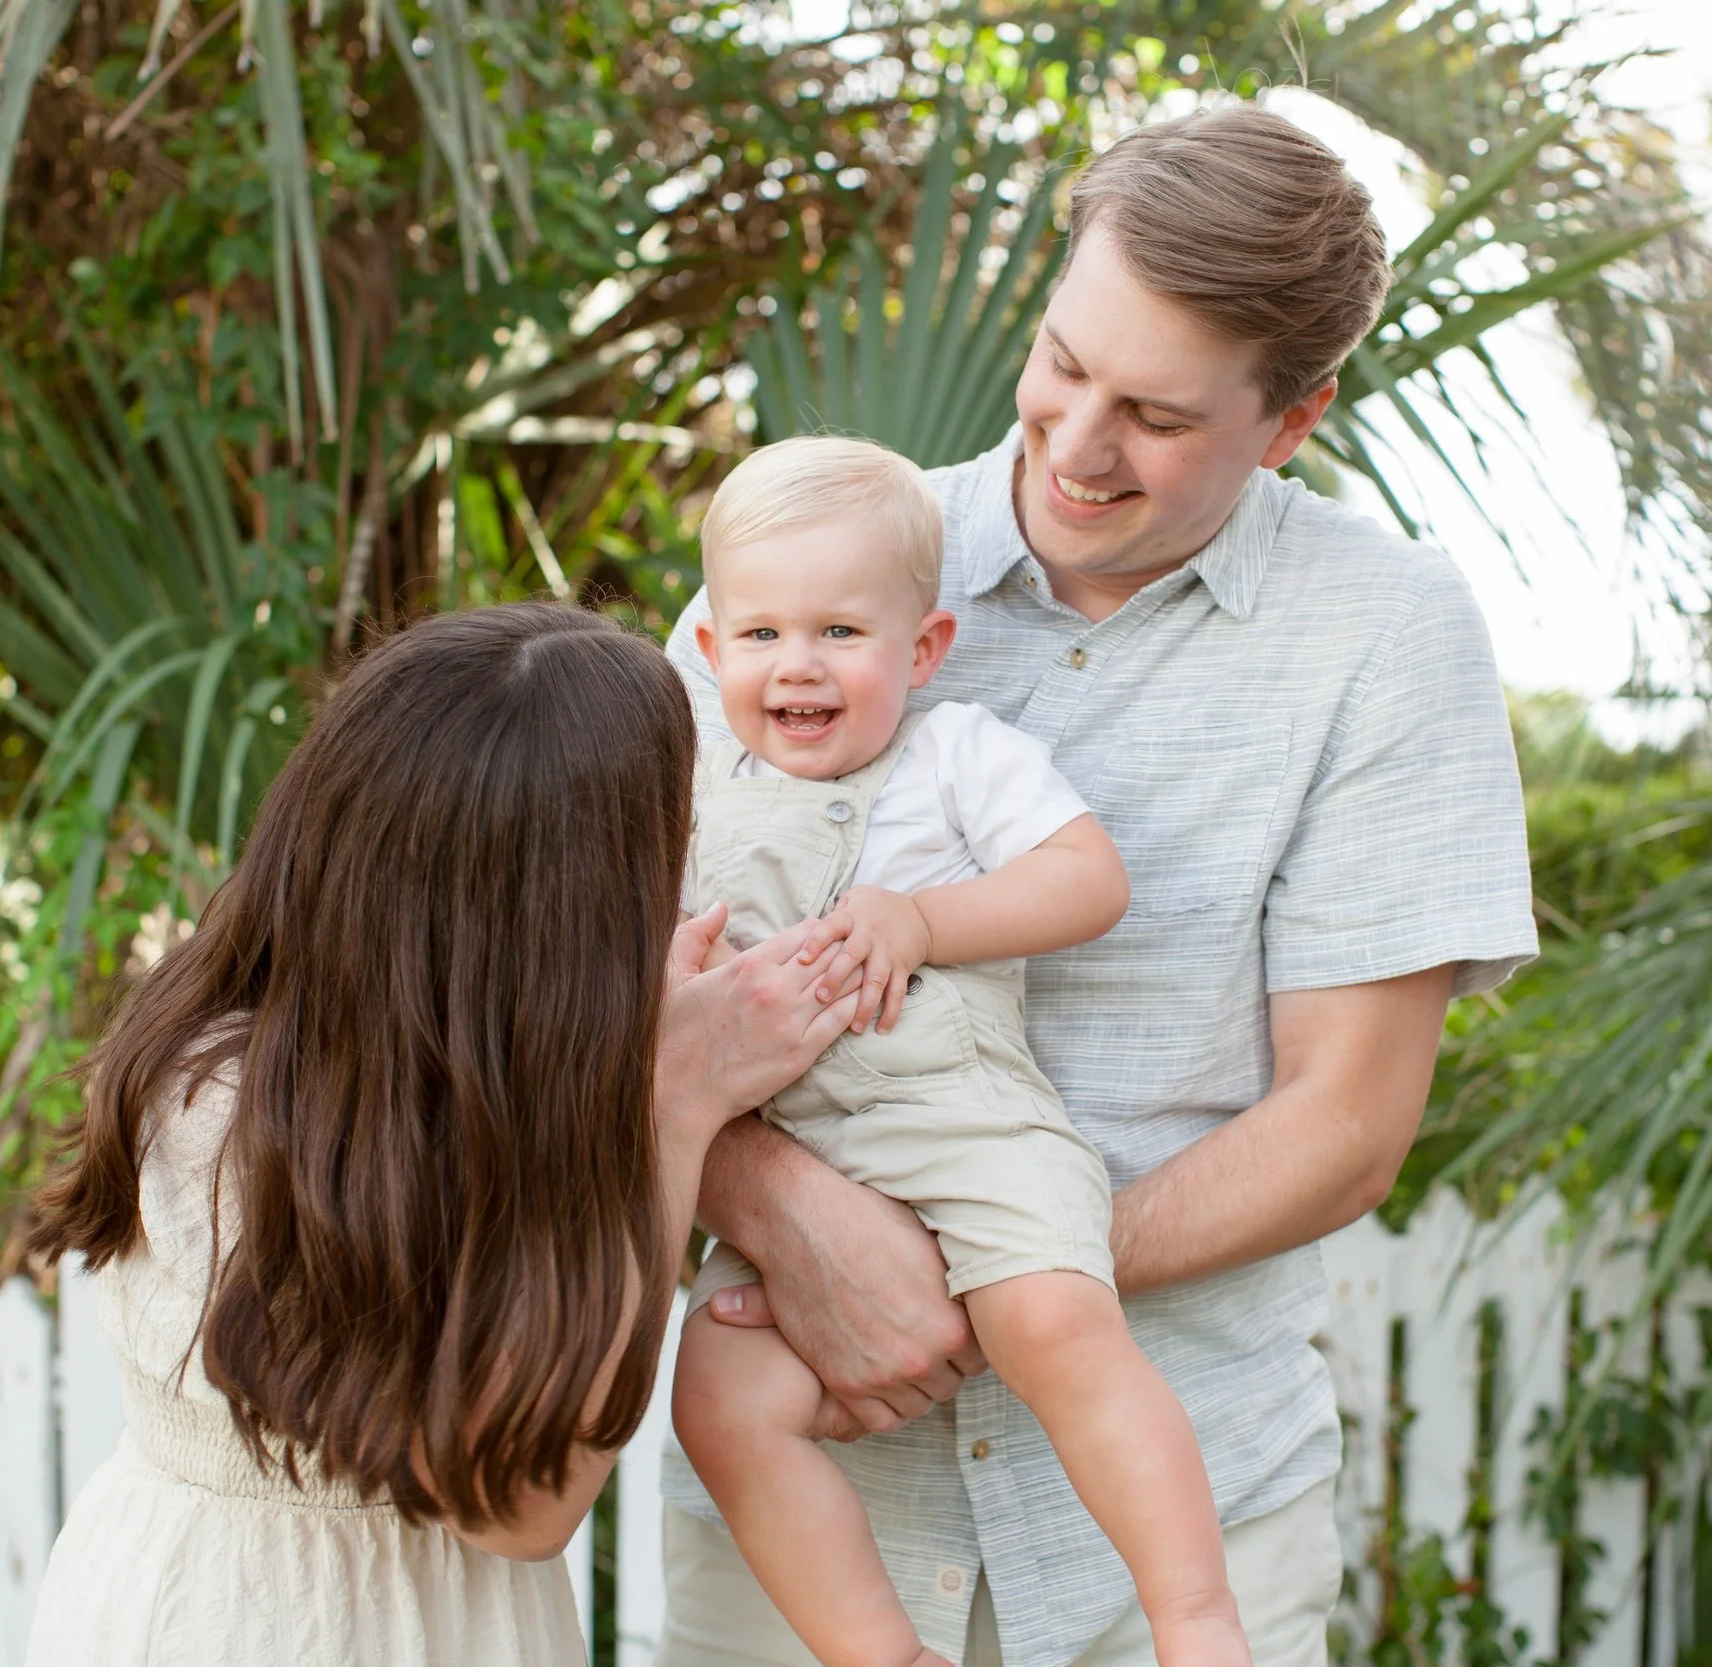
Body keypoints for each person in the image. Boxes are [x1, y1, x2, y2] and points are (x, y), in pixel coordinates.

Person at [658, 103, 1540, 1666]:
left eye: (1155, 412)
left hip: (1178, 1541)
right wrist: (785, 1214)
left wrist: (991, 1273)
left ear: (1292, 419)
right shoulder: (797, 583)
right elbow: (613, 1007)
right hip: (810, 1528)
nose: (1074, 447)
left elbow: (1344, 1125)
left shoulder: (1387, 634)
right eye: (1064, 363)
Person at [21, 605, 864, 1666]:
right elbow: (522, 1498)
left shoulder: (438, 1069)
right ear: (548, 910)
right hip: (270, 1619)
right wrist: (672, 1106)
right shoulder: (224, 1110)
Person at [670, 436, 1249, 1667]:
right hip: (799, 1162)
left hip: (965, 1128)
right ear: (712, 650)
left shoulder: (952, 754)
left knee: (1057, 1327)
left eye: (840, 631)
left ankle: (1194, 1619)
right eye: (762, 635)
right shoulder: (687, 789)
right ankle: (883, 1651)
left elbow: (1088, 878)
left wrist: (923, 916)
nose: (799, 667)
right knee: (720, 1396)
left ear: (922, 649)